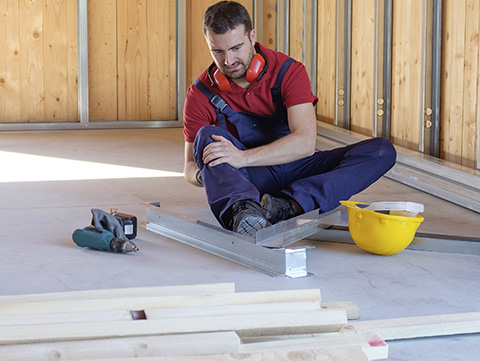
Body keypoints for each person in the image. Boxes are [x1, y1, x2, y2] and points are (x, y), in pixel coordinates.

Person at [183, 1, 396, 237]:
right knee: (206, 136)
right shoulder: (201, 93)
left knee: (382, 151)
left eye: (236, 48)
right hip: (250, 180)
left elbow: (305, 144)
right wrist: (214, 172)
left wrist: (242, 157)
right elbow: (189, 166)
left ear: (252, 37)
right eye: (218, 52)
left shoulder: (288, 71)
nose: (228, 60)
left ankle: (287, 205)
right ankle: (244, 211)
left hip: (297, 166)